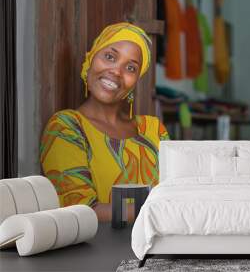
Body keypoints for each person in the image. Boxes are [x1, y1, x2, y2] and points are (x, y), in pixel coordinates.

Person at [40, 22, 170, 221]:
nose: (116, 72)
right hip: (96, 250)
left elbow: (173, 194)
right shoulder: (66, 127)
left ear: (136, 81)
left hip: (158, 247)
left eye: (130, 67)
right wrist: (161, 212)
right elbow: (79, 210)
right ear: (91, 58)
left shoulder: (153, 130)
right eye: (110, 57)